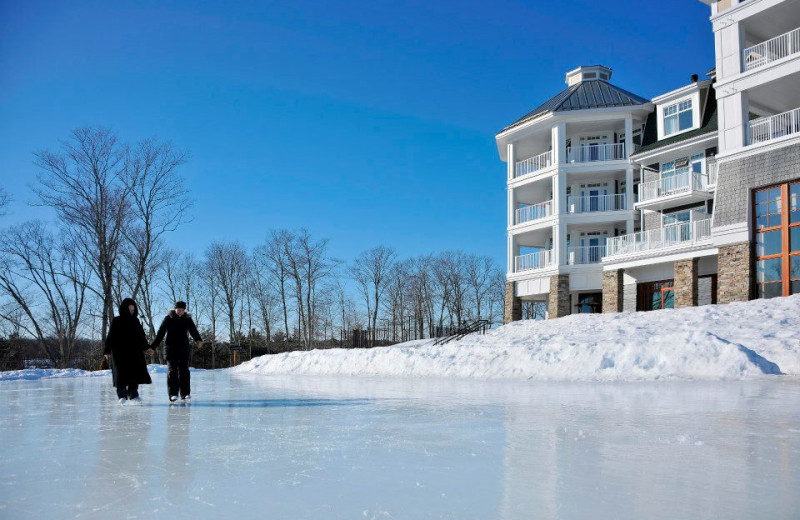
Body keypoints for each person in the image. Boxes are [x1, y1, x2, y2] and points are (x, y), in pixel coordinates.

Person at [104, 298, 154, 404]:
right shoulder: (117, 320)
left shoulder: (135, 321)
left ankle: (133, 395)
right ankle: (122, 395)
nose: (131, 312)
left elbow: (141, 337)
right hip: (119, 353)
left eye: (133, 310)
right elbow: (110, 336)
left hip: (134, 352)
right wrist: (107, 351)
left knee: (134, 374)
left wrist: (147, 348)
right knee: (120, 374)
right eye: (129, 310)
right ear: (124, 309)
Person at [151, 301, 202, 403]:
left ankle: (185, 393)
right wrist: (153, 347)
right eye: (179, 310)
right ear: (175, 309)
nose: (180, 312)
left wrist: (198, 340)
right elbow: (161, 333)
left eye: (182, 310)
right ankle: (173, 394)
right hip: (170, 348)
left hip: (184, 348)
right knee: (172, 371)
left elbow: (193, 330)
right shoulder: (168, 318)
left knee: (184, 371)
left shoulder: (187, 319)